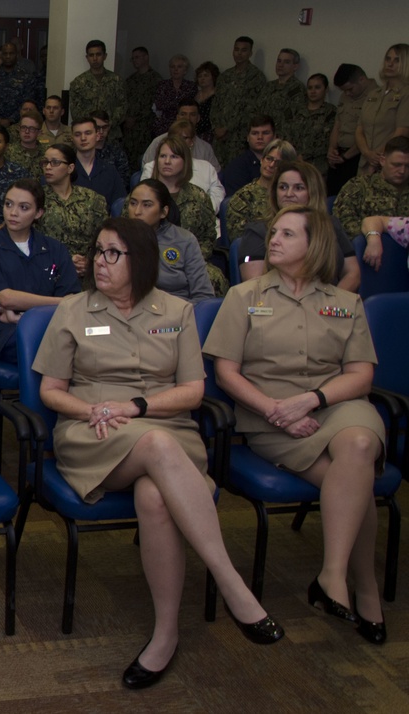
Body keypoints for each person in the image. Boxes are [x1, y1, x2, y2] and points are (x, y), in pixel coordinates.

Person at [34, 216, 283, 689]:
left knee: (154, 497)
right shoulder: (73, 309)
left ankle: (164, 636)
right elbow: (51, 391)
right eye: (99, 251)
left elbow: (192, 391)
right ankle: (232, 584)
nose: (100, 263)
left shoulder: (177, 311)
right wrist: (93, 411)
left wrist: (138, 406)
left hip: (166, 425)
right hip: (96, 433)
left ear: (141, 260)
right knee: (154, 443)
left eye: (113, 254)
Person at [204, 204, 386, 647]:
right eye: (274, 233)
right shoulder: (245, 297)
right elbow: (226, 373)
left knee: (360, 443)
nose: (274, 240)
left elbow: (361, 374)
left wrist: (312, 399)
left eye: (287, 234)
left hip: (334, 406)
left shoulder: (345, 303)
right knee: (354, 484)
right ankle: (366, 593)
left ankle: (333, 574)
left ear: (314, 243)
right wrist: (275, 409)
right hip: (271, 415)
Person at [0, 179, 79, 363]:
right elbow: (7, 299)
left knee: (88, 341)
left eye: (24, 207)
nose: (13, 213)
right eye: (8, 204)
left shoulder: (55, 248)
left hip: (54, 327)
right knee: (51, 347)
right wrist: (60, 302)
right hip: (8, 335)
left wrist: (21, 315)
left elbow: (73, 301)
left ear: (38, 213)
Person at [236, 160, 359, 290]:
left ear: (313, 192)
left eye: (298, 188)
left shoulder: (331, 225)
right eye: (283, 187)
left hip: (328, 304)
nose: (288, 194)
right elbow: (255, 286)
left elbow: (353, 273)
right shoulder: (258, 231)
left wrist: (331, 304)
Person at [148, 134, 226, 294]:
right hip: (149, 259)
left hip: (191, 259)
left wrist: (192, 258)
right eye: (163, 156)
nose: (167, 161)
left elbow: (207, 236)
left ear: (185, 162)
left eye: (174, 156)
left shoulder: (198, 196)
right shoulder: (142, 195)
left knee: (215, 278)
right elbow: (128, 233)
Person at [127, 179, 214, 303]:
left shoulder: (185, 240)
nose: (137, 212)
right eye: (133, 203)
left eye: (147, 205)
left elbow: (204, 296)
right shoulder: (116, 239)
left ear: (163, 212)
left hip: (175, 313)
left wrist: (179, 314)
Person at [38, 143, 108, 278]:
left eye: (55, 162)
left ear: (70, 168)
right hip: (48, 269)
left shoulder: (93, 199)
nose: (47, 167)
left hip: (87, 269)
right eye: (45, 162)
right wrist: (66, 261)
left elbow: (104, 236)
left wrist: (90, 261)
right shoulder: (36, 198)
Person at [141, 119, 225, 212]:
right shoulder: (151, 167)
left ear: (192, 141)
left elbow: (218, 193)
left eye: (184, 138)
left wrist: (202, 211)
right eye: (175, 137)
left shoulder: (206, 167)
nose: (179, 141)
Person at [334, 136, 409, 238]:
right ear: (382, 160)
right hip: (365, 248)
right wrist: (373, 236)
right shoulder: (359, 186)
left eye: (408, 166)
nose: (402, 171)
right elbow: (342, 221)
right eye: (396, 165)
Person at [211, 36, 267, 168]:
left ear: (250, 53)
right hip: (219, 138)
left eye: (244, 50)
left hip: (238, 138)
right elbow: (216, 103)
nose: (239, 53)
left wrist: (227, 128)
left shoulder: (256, 77)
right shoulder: (225, 76)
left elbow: (253, 109)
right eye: (236, 50)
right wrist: (216, 127)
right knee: (216, 173)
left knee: (235, 173)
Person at [226, 139, 298, 240]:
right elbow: (239, 239)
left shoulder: (293, 196)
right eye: (269, 159)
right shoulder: (244, 197)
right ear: (262, 160)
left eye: (278, 162)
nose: (271, 165)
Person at [355, 44, 409, 175]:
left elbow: (401, 132)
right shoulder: (374, 93)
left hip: (389, 165)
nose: (390, 64)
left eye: (397, 60)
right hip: (365, 162)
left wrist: (377, 156)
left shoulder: (406, 93)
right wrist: (367, 153)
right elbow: (359, 129)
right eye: (387, 59)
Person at [328, 64, 379, 195]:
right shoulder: (345, 96)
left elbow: (367, 133)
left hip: (356, 157)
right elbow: (338, 124)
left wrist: (346, 157)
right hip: (338, 155)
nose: (347, 93)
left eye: (350, 89)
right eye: (344, 90)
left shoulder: (376, 97)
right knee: (332, 196)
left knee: (350, 196)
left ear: (361, 79)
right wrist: (332, 149)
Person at [69, 40, 126, 142]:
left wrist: (108, 124)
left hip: (111, 134)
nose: (95, 58)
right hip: (87, 136)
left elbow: (122, 106)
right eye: (91, 55)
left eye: (98, 54)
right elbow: (76, 111)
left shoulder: (116, 80)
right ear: (87, 58)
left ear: (104, 56)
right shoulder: (78, 83)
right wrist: (91, 126)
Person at [141, 100, 220, 170]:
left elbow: (215, 174)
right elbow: (147, 169)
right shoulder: (158, 142)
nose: (187, 118)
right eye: (183, 114)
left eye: (192, 114)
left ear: (198, 118)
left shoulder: (205, 148)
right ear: (178, 117)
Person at [0, 42, 38, 126]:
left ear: (16, 55)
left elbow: (29, 102)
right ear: (1, 55)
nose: (8, 56)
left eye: (11, 53)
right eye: (5, 54)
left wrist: (11, 119)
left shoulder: (26, 77)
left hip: (20, 125)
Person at [70, 117, 124, 208]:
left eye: (88, 133)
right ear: (72, 138)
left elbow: (120, 205)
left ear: (97, 136)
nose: (83, 138)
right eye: (78, 134)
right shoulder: (65, 170)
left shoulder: (110, 171)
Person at [123, 46, 163, 167]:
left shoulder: (156, 79)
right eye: (133, 58)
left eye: (137, 57)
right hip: (129, 128)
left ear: (146, 57)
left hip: (146, 126)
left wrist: (137, 117)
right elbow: (124, 101)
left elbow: (155, 104)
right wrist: (126, 118)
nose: (135, 61)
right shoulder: (130, 80)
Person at [293, 74, 337, 177]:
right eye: (310, 88)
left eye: (317, 87)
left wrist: (304, 156)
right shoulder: (297, 110)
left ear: (325, 90)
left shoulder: (331, 112)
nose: (313, 91)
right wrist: (296, 154)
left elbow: (328, 140)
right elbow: (287, 133)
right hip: (295, 163)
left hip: (318, 167)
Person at [257, 49, 305, 142]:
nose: (280, 65)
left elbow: (295, 120)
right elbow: (258, 110)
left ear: (295, 66)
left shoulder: (297, 89)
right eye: (279, 61)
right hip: (262, 138)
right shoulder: (269, 86)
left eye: (286, 62)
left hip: (282, 141)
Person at [221, 116, 277, 196]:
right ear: (247, 138)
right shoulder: (237, 167)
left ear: (274, 137)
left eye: (265, 133)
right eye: (255, 133)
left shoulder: (283, 164)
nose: (260, 137)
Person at [152, 55, 197, 138]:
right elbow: (159, 104)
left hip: (183, 126)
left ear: (185, 70)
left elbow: (189, 105)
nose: (175, 69)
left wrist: (171, 104)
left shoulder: (191, 86)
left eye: (179, 67)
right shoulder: (162, 85)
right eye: (173, 67)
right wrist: (178, 103)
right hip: (163, 127)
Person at [91, 110, 131, 190]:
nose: (101, 131)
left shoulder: (116, 150)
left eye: (105, 127)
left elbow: (124, 178)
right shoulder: (83, 151)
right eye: (97, 127)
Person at [6, 109, 45, 177]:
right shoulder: (8, 151)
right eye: (24, 127)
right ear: (19, 129)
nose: (27, 131)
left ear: (39, 132)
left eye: (31, 128)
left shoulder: (47, 153)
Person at [194, 62, 219, 143]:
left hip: (211, 134)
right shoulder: (194, 95)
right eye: (200, 76)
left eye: (206, 75)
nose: (202, 78)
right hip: (194, 132)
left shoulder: (218, 95)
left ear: (213, 77)